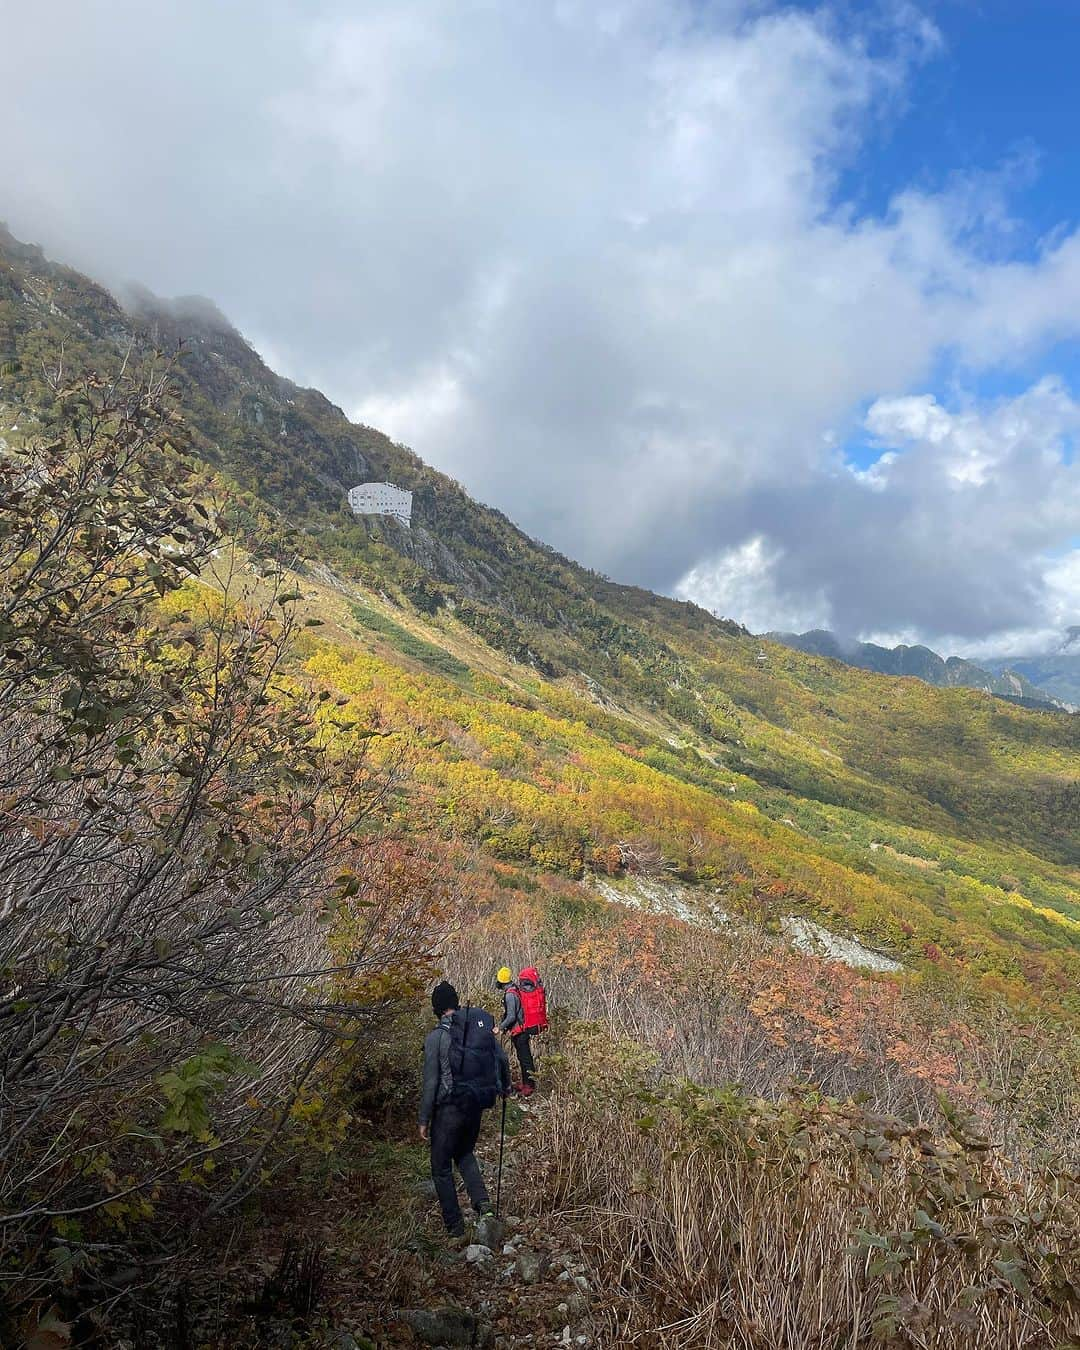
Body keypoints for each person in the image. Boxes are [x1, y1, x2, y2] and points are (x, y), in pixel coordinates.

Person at [419, 980, 510, 1237]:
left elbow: (431, 1081)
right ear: (456, 1003)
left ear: (436, 1008)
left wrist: (424, 1118)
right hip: (476, 1104)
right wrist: (505, 1089)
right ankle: (483, 1205)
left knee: (440, 1166)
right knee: (465, 1152)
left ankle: (455, 1228)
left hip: (449, 1109)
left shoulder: (437, 1037)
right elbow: (501, 1059)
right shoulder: (476, 1029)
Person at [496, 966, 536, 1097]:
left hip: (520, 1031)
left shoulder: (509, 995)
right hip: (523, 1029)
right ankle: (527, 1083)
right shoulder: (515, 989)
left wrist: (500, 1027)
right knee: (524, 1057)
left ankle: (529, 1086)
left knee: (524, 1058)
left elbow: (511, 1016)